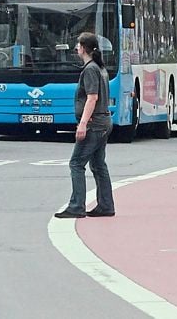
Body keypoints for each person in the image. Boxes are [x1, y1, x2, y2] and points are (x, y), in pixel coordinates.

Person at [55, 32, 116, 219]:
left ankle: (76, 206)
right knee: (98, 164)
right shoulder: (100, 68)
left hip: (94, 123)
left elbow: (92, 98)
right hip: (104, 121)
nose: (76, 48)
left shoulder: (90, 69)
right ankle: (106, 205)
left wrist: (82, 124)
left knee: (76, 163)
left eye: (78, 45)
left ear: (83, 48)